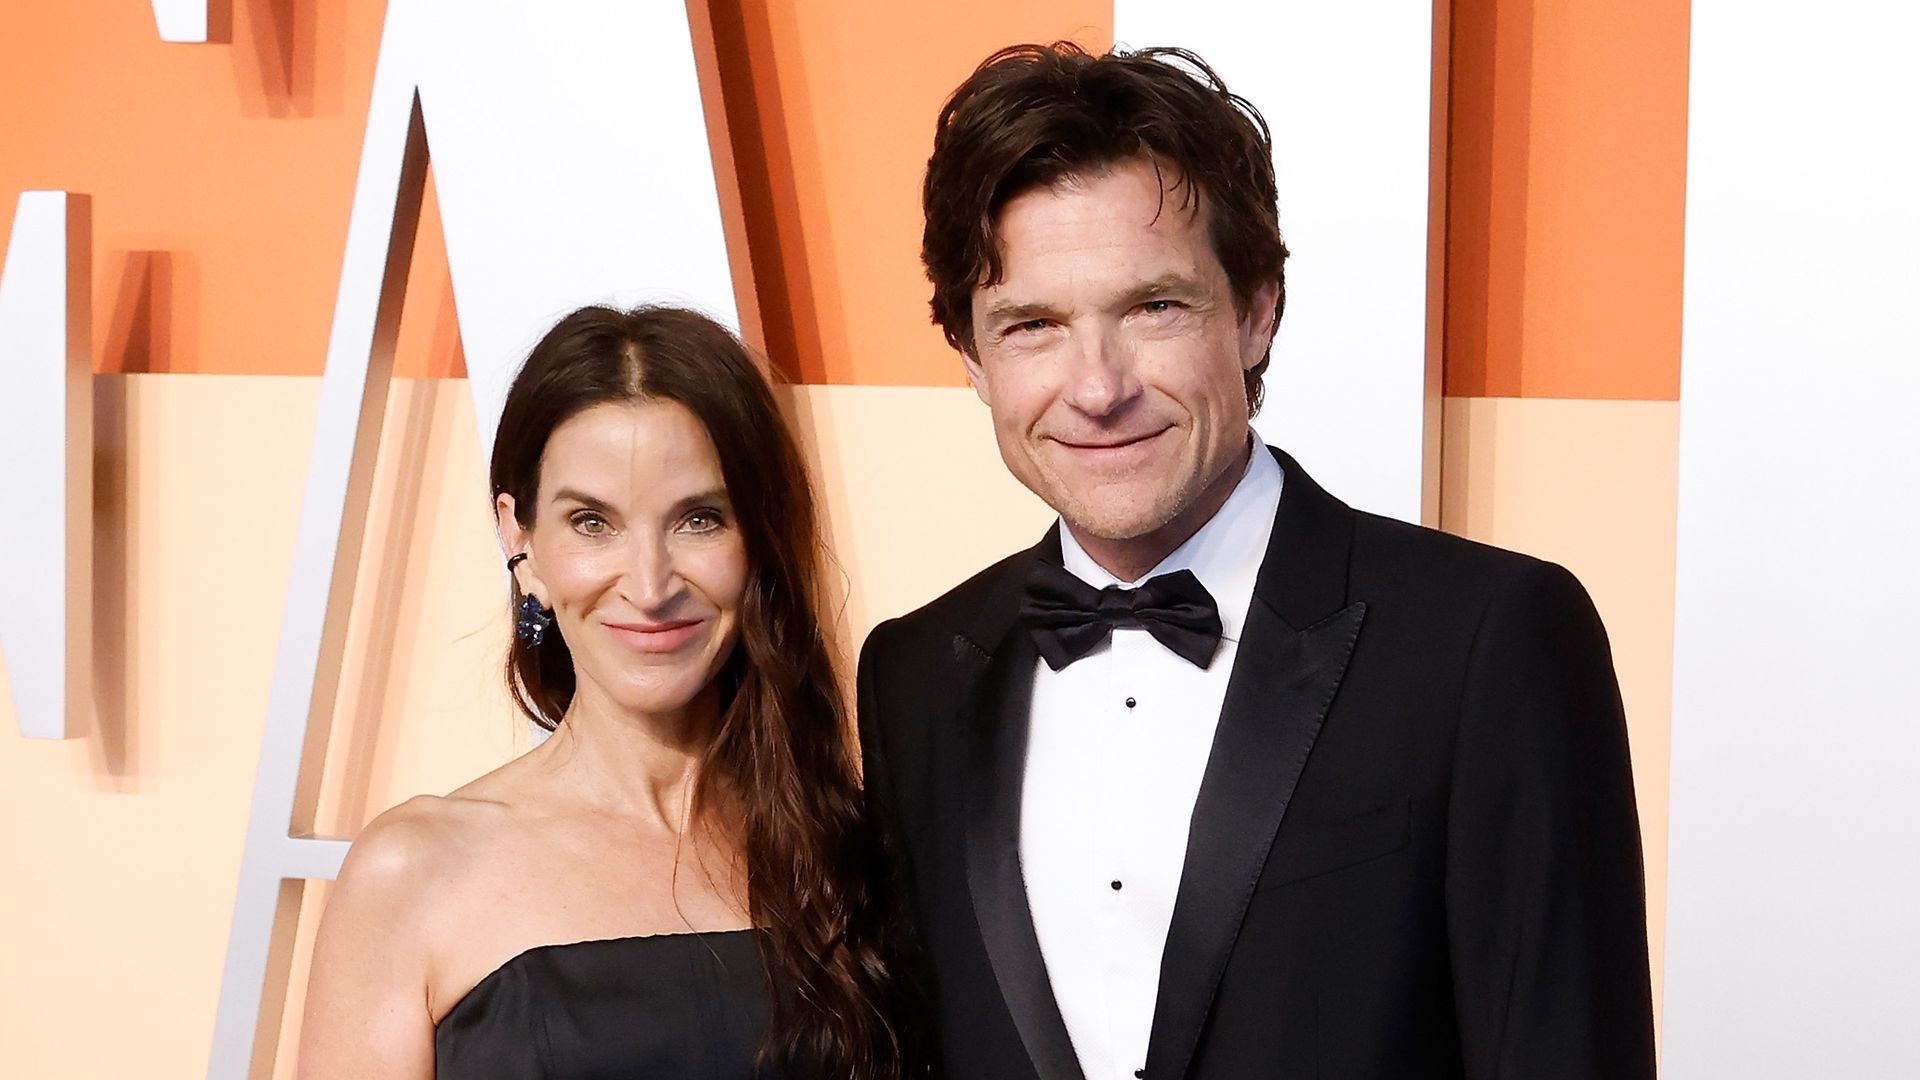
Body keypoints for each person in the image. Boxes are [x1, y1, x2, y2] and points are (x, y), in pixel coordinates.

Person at [857, 43, 1656, 1080]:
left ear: (1257, 309)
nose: (1096, 388)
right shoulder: (913, 674)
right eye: (1034, 325)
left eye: (1153, 307)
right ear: (971, 357)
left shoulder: (1487, 640)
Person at [300, 305, 917, 1078]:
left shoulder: (853, 852)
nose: (651, 585)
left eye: (699, 519)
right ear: (518, 538)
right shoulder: (413, 871)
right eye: (593, 522)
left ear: (757, 536)